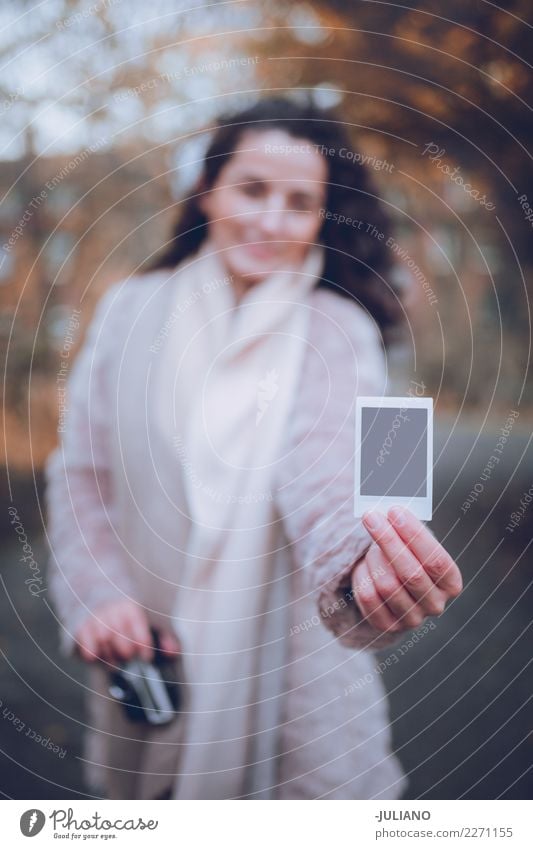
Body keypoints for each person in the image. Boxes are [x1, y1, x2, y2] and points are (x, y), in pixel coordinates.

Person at [45, 96, 463, 800]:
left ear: (321, 217)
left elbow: (334, 470)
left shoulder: (343, 328)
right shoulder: (130, 309)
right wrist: (96, 594)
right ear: (208, 188)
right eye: (252, 189)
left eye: (299, 202)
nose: (271, 220)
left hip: (296, 679)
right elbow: (81, 471)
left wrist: (363, 558)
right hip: (149, 656)